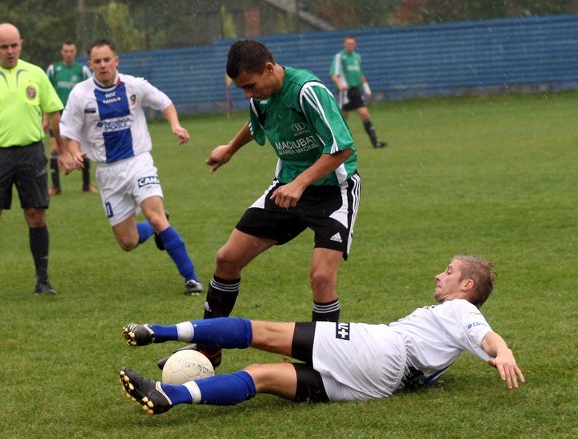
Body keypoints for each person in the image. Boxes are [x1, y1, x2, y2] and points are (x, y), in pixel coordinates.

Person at [119, 254, 525, 415]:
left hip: (381, 349)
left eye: (450, 271)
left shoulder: (460, 309)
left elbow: (486, 335)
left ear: (467, 286)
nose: (440, 274)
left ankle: (162, 332)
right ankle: (168, 395)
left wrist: (502, 352)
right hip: (382, 384)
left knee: (258, 332)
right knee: (262, 375)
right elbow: (469, 341)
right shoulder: (451, 326)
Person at [180, 39, 360, 368]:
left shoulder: (307, 90)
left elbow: (343, 147)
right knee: (227, 258)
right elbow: (257, 122)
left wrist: (301, 182)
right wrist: (230, 149)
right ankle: (208, 347)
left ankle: (325, 365)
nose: (247, 94)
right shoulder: (260, 96)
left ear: (268, 68)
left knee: (321, 278)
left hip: (332, 191)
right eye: (240, 89)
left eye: (249, 86)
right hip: (287, 188)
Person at [58, 38, 202, 295]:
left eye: (107, 60)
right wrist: (73, 152)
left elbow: (164, 102)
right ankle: (158, 226)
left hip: (139, 163)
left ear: (116, 60)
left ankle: (191, 278)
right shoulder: (80, 94)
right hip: (108, 173)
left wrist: (175, 125)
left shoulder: (134, 85)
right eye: (97, 61)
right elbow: (68, 131)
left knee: (155, 217)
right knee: (128, 242)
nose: (103, 65)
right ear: (90, 64)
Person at [0, 23, 64, 301]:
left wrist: (64, 150)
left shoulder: (36, 74)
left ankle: (42, 281)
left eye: (14, 45)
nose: (10, 51)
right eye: (4, 46)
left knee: (36, 214)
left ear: (21, 44)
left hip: (31, 153)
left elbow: (54, 114)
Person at [45, 40, 96, 196]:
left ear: (75, 52)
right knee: (55, 148)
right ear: (62, 52)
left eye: (71, 51)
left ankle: (86, 185)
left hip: (78, 112)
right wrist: (45, 118)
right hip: (58, 113)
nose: (68, 53)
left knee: (81, 149)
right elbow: (45, 94)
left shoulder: (83, 70)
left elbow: (91, 90)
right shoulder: (54, 70)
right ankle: (55, 187)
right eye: (66, 51)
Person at [330, 35, 387, 149]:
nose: (349, 46)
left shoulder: (357, 57)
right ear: (344, 44)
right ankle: (337, 144)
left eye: (352, 43)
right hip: (345, 92)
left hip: (355, 91)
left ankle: (375, 142)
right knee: (342, 118)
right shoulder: (340, 57)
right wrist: (340, 84)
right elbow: (333, 75)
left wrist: (366, 88)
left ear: (355, 44)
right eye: (347, 43)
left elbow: (360, 75)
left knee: (365, 114)